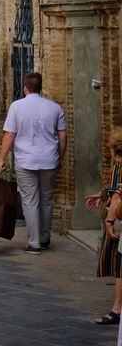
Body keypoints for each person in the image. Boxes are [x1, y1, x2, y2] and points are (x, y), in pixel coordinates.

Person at [0, 72, 67, 254]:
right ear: (40, 87)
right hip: (49, 160)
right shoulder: (55, 108)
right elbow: (63, 136)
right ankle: (45, 238)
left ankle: (34, 243)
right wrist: (60, 158)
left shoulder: (16, 107)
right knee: (46, 199)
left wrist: (1, 159)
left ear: (25, 88)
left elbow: (10, 135)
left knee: (30, 200)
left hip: (26, 160)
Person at [85, 128, 122, 325]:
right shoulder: (118, 167)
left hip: (118, 222)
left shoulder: (120, 166)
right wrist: (102, 193)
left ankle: (117, 309)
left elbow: (118, 195)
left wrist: (109, 221)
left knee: (120, 264)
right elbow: (114, 188)